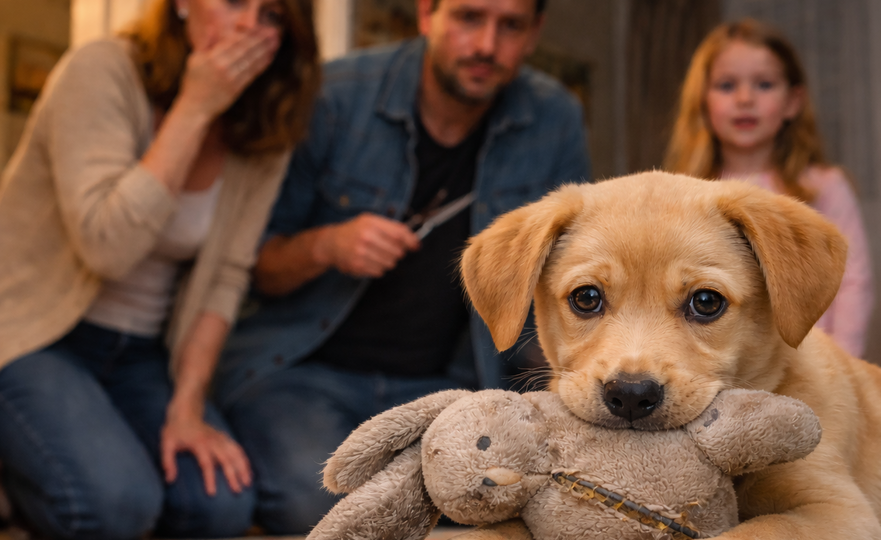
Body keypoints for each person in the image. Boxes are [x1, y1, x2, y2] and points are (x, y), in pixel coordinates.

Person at [213, 0, 590, 533]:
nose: (486, 44)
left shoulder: (553, 119)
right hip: (303, 373)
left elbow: (570, 281)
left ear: (534, 35)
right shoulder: (337, 95)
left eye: (510, 26)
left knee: (491, 502)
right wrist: (325, 245)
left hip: (457, 381)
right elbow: (252, 267)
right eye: (468, 17)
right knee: (318, 500)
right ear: (425, 15)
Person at [0, 0, 319, 538]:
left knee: (219, 504)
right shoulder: (100, 70)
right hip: (35, 337)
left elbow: (227, 277)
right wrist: (195, 108)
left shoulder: (264, 123)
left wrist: (187, 407)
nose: (249, 26)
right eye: (235, 2)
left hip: (142, 354)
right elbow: (107, 245)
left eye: (271, 15)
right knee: (117, 505)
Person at [664, 18, 873, 357]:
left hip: (815, 364)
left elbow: (853, 283)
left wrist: (843, 361)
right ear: (703, 103)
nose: (745, 98)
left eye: (764, 84)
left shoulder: (825, 187)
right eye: (727, 86)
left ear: (793, 101)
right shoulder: (682, 196)